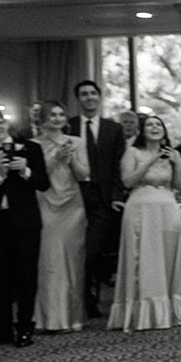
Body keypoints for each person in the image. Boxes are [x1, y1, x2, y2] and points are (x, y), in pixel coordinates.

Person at [0, 106, 50, 346]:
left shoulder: (31, 148)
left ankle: (25, 327)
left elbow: (43, 184)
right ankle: (2, 327)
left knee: (26, 275)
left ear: (6, 123)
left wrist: (25, 171)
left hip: (26, 222)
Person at [111, 115, 181, 331]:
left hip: (167, 208)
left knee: (167, 256)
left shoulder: (173, 154)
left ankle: (167, 311)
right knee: (144, 257)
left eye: (158, 124)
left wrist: (177, 163)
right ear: (142, 131)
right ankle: (141, 311)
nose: (154, 127)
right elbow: (127, 181)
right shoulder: (133, 152)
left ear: (164, 130)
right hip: (140, 208)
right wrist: (150, 162)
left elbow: (180, 185)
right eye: (149, 125)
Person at [67, 79, 126, 318]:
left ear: (99, 97)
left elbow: (118, 166)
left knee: (91, 251)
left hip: (101, 198)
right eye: (84, 94)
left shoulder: (114, 129)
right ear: (78, 99)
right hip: (73, 196)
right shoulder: (68, 126)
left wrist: (116, 195)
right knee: (74, 249)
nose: (89, 97)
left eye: (93, 93)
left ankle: (86, 294)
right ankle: (80, 299)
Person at [32, 100, 91, 334]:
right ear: (43, 118)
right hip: (46, 202)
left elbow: (84, 174)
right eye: (53, 115)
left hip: (73, 205)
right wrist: (55, 157)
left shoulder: (77, 141)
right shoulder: (33, 144)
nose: (57, 118)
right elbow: (36, 176)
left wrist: (71, 158)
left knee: (73, 260)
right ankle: (49, 318)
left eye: (61, 114)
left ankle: (72, 317)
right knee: (49, 260)